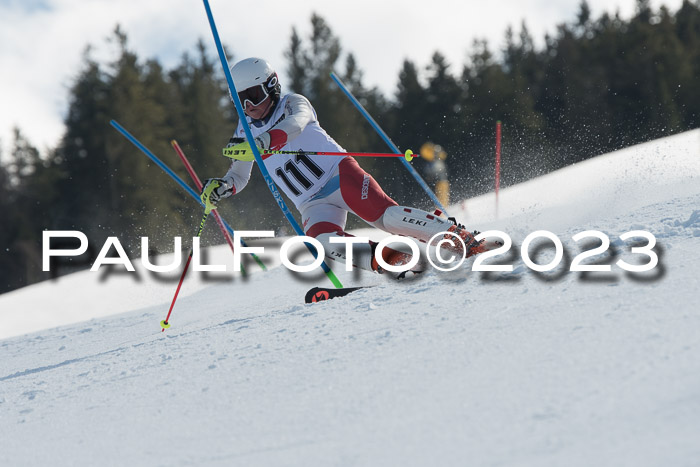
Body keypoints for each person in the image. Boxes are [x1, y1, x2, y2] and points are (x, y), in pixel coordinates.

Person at [201, 57, 486, 276]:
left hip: (339, 175)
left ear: (272, 86)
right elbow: (239, 173)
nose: (249, 105)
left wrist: (264, 142)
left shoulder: (292, 103)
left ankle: (458, 237)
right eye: (241, 99)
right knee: (321, 242)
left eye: (254, 94)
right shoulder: (244, 129)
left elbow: (295, 125)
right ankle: (395, 259)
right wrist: (222, 187)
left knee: (385, 217)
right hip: (311, 202)